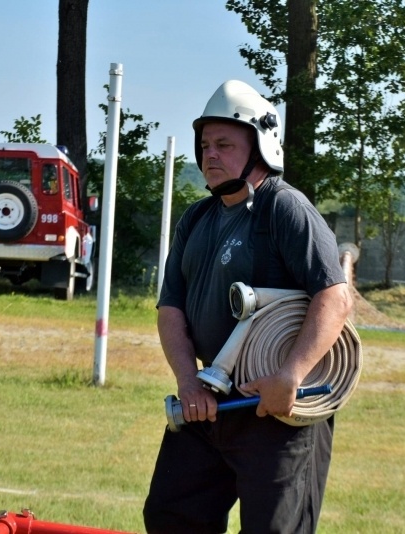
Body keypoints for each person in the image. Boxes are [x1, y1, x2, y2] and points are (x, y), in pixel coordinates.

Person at [143, 80, 353, 533]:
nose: (209, 155)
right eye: (204, 145)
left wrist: (290, 376)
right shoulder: (196, 218)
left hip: (274, 408)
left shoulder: (286, 208)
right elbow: (170, 309)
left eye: (223, 144)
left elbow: (335, 297)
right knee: (170, 516)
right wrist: (188, 383)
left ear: (260, 145)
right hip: (209, 400)